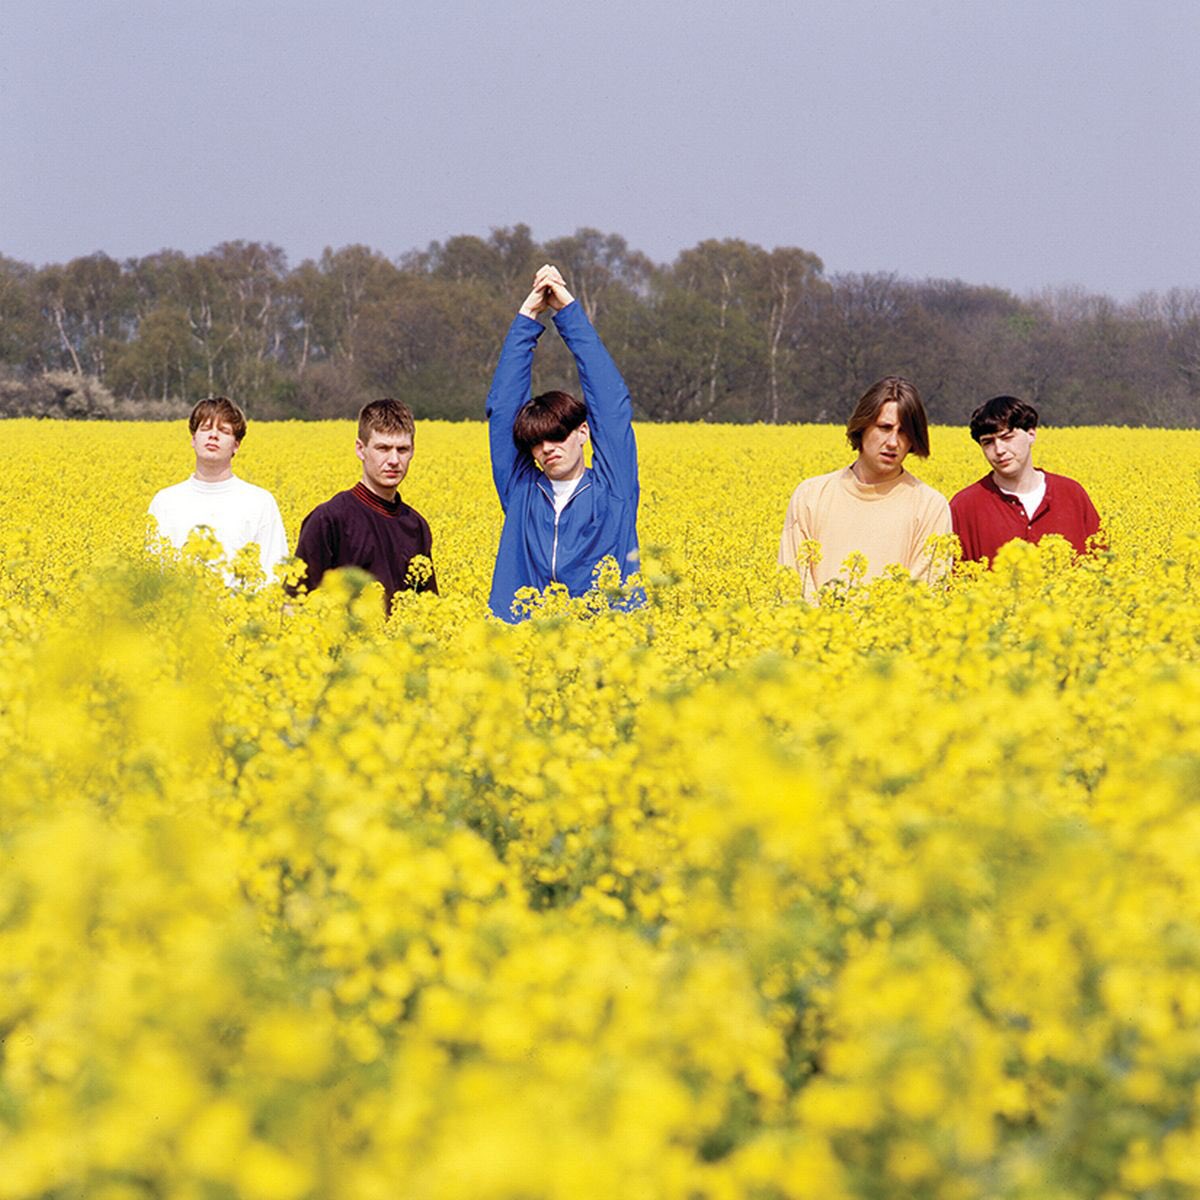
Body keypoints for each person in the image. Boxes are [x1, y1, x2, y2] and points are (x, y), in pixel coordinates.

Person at [486, 263, 640, 621]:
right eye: (536, 443)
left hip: (606, 648)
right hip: (527, 650)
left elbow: (611, 405)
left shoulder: (613, 489)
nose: (547, 449)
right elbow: (504, 407)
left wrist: (567, 311)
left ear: (583, 433)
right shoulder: (521, 491)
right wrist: (527, 316)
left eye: (557, 436)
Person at [778, 376, 952, 599]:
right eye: (885, 427)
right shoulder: (810, 496)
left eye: (904, 432)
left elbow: (924, 594)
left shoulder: (930, 506)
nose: (893, 442)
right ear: (862, 426)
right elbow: (793, 583)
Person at [294, 399, 437, 608]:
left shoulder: (417, 526)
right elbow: (295, 601)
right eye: (383, 448)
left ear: (413, 451)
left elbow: (429, 609)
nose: (394, 460)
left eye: (402, 449)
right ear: (361, 449)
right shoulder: (329, 519)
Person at [148, 396, 289, 579]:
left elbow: (274, 573)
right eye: (205, 428)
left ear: (236, 445)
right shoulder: (165, 501)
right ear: (193, 439)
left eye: (223, 431)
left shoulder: (260, 502)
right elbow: (151, 574)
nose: (213, 435)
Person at [950, 394, 1101, 563]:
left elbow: (1102, 565)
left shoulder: (1071, 493)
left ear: (1031, 434)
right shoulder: (964, 506)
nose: (999, 450)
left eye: (1007, 438)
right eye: (988, 442)